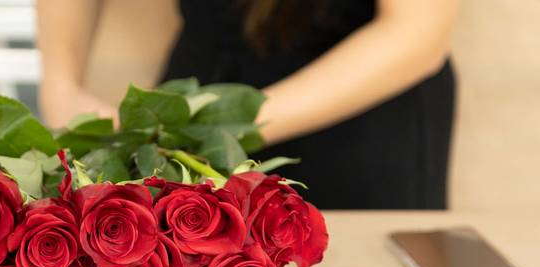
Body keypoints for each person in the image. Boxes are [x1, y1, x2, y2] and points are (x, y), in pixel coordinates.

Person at [37, 0, 458, 209]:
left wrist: (218, 127)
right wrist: (60, 83)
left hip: (361, 105)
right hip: (198, 86)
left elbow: (417, 34)